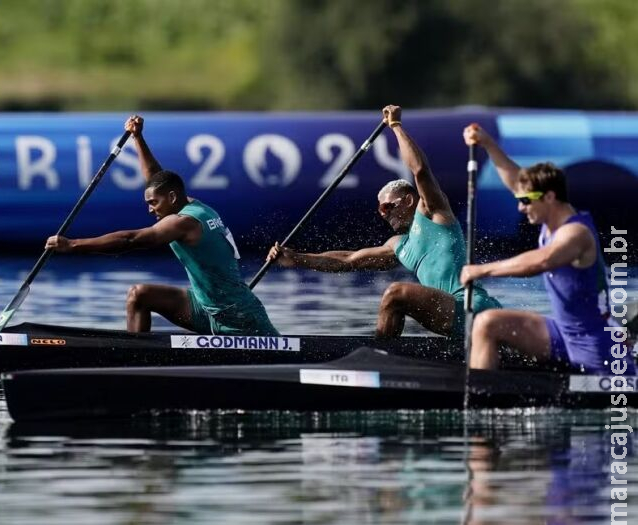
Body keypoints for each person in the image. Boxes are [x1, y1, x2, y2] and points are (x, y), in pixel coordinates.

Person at [267, 105, 501, 338]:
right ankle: (389, 354)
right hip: (451, 314)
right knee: (396, 298)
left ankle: (379, 355)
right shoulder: (398, 245)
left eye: (387, 206)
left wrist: (396, 126)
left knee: (395, 293)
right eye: (379, 210)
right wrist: (296, 257)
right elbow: (347, 260)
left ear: (408, 201)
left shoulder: (432, 211)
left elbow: (419, 170)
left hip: (472, 307)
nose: (384, 214)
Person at [46, 116, 278, 337]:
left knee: (139, 290)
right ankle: (133, 361)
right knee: (139, 295)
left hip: (239, 319)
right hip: (205, 309)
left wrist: (73, 244)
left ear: (172, 198)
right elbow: (157, 179)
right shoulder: (190, 203)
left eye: (153, 203)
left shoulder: (185, 222)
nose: (150, 209)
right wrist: (138, 138)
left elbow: (131, 240)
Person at [460, 124, 634, 374]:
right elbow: (514, 179)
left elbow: (542, 261)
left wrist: (481, 270)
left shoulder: (576, 233)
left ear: (549, 197)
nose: (520, 207)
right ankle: (481, 393)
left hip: (595, 344)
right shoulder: (547, 215)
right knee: (487, 322)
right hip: (563, 334)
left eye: (525, 201)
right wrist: (487, 142)